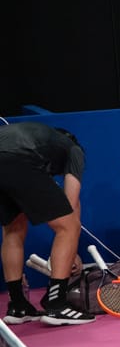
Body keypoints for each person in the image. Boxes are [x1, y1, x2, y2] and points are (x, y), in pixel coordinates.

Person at [0, 122, 95, 325]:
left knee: (13, 229)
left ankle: (18, 306)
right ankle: (57, 305)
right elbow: (71, 203)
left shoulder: (42, 140)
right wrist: (71, 251)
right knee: (68, 227)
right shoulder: (73, 149)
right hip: (19, 157)